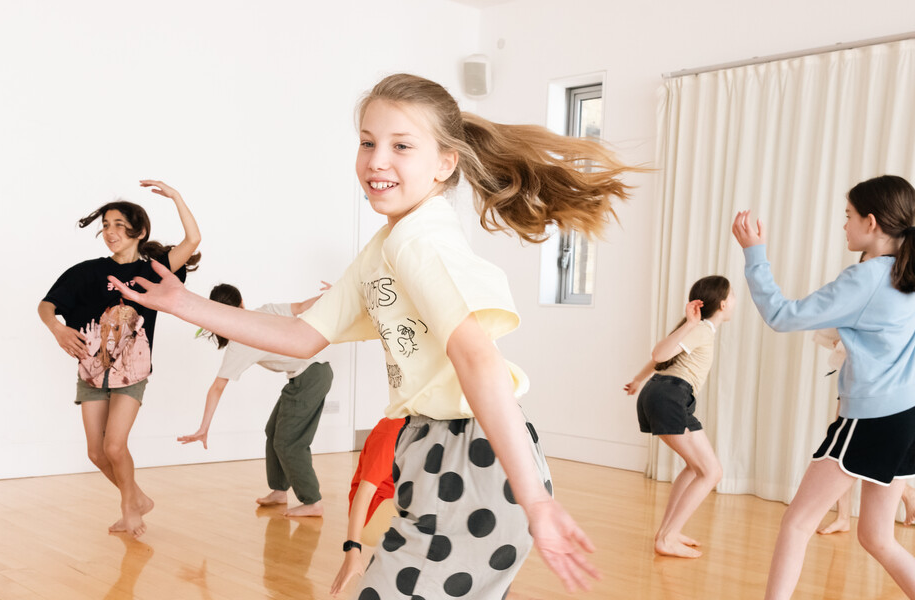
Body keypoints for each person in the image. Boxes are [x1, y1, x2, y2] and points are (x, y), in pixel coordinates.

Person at [107, 73, 639, 597]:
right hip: (433, 447)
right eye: (367, 142)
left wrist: (537, 502)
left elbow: (478, 360)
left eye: (401, 145)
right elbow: (301, 335)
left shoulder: (420, 244)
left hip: (472, 453)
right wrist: (184, 303)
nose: (376, 160)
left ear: (444, 162)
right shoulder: (389, 244)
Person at [733, 108, 915, 599]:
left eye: (847, 217)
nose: (843, 226)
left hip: (872, 421)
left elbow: (782, 315)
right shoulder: (910, 248)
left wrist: (756, 254)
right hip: (911, 417)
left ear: (871, 221)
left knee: (797, 522)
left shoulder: (863, 280)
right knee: (876, 537)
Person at [38, 180, 201, 538]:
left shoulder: (154, 269)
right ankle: (137, 497)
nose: (110, 232)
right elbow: (47, 305)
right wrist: (57, 329)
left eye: (118, 225)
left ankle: (130, 509)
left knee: (115, 445)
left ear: (139, 231)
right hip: (92, 372)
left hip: (133, 372)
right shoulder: (86, 271)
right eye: (106, 226)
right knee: (97, 453)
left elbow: (192, 241)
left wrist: (175, 196)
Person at [179, 283, 333, 517]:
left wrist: (204, 427)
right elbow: (302, 306)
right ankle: (279, 491)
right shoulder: (262, 312)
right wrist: (334, 295)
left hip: (310, 376)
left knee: (289, 442)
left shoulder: (241, 341)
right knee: (273, 432)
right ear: (241, 303)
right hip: (309, 374)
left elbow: (217, 387)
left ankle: (313, 501)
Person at [623, 276, 734, 557]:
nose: (734, 302)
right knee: (711, 472)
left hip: (669, 395)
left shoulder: (702, 331)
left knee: (696, 468)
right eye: (732, 297)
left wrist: (638, 379)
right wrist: (690, 324)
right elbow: (660, 353)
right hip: (670, 396)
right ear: (722, 304)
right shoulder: (701, 329)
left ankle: (667, 533)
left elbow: (664, 359)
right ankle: (667, 538)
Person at [812, 330, 915, 535]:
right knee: (845, 452)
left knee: (847, 452)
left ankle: (906, 492)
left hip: (868, 387)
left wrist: (844, 339)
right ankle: (843, 516)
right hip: (856, 381)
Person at [330, 416, 406, 596]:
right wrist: (352, 550)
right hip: (372, 512)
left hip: (397, 501)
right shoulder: (392, 430)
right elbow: (364, 493)